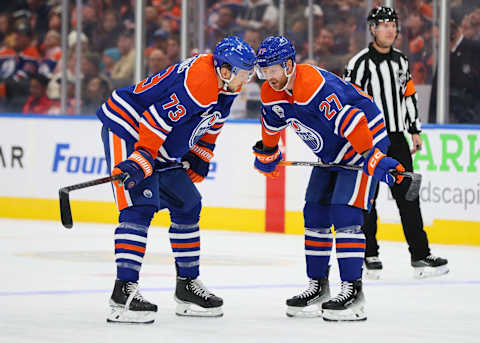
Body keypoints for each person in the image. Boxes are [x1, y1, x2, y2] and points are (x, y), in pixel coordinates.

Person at [96, 36, 256, 323]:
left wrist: (202, 152)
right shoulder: (200, 83)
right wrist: (141, 157)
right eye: (244, 71)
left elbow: (214, 120)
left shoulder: (228, 84)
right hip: (130, 129)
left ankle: (187, 287)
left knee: (188, 204)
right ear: (224, 70)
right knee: (138, 209)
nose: (247, 78)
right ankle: (123, 293)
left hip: (160, 140)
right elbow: (155, 120)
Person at [253, 35, 404, 321]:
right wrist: (268, 153)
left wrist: (372, 157)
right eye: (264, 70)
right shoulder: (271, 92)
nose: (269, 77)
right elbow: (271, 125)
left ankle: (353, 291)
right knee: (315, 211)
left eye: (273, 69)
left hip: (364, 140)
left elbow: (353, 121)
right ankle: (318, 286)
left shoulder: (311, 85)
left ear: (288, 64)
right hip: (332, 152)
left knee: (345, 212)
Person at [344, 6, 448, 279]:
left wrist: (414, 130)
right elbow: (347, 104)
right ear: (372, 29)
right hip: (369, 140)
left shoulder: (401, 61)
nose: (390, 29)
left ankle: (420, 255)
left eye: (393, 24)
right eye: (384, 24)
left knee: (408, 196)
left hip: (397, 137)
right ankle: (369, 253)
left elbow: (408, 97)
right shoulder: (358, 64)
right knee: (368, 198)